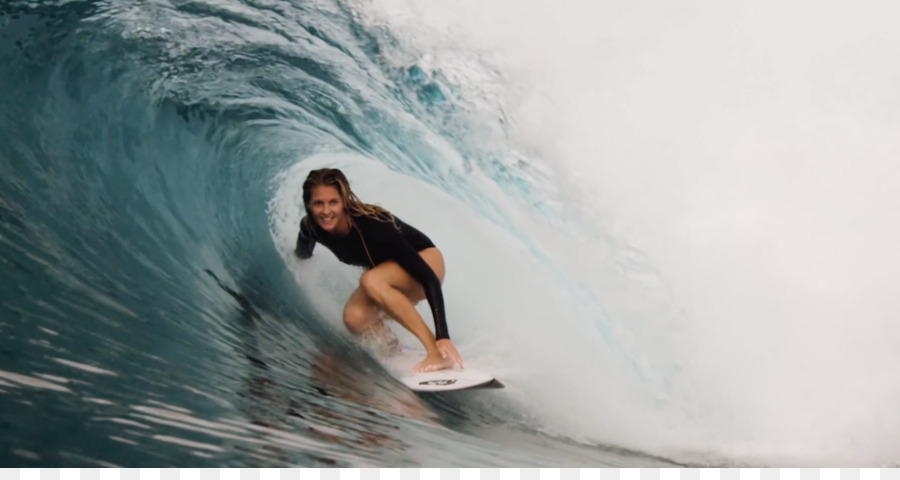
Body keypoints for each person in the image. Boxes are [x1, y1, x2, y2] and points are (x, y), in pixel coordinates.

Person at [294, 168, 464, 373]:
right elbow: (302, 251)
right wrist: (297, 265)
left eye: (333, 202)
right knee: (354, 318)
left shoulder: (374, 227)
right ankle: (393, 348)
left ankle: (437, 353)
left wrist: (443, 336)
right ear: (309, 206)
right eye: (318, 203)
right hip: (390, 275)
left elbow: (428, 278)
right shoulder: (311, 227)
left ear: (344, 202)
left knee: (370, 280)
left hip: (427, 263)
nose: (326, 211)